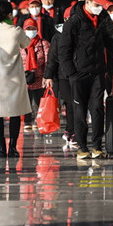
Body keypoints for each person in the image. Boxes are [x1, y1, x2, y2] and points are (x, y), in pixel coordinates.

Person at [57, 0, 113, 167]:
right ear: (87, 2)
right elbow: (64, 50)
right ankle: (82, 147)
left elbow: (107, 39)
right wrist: (72, 73)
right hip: (78, 74)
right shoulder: (74, 21)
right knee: (80, 111)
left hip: (97, 72)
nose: (99, 7)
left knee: (98, 109)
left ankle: (97, 146)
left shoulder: (100, 19)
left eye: (101, 4)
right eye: (96, 4)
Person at [0, 1, 31, 159]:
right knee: (15, 114)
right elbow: (26, 43)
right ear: (10, 14)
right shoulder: (16, 31)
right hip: (14, 79)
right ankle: (13, 147)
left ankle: (1, 147)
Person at [43, 22, 77, 150]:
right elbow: (52, 57)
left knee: (73, 104)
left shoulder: (79, 33)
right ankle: (72, 132)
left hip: (77, 74)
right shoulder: (58, 37)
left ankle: (70, 130)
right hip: (63, 76)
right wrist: (48, 75)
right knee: (71, 103)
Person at [19, 18, 51, 131]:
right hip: (24, 79)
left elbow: (48, 61)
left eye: (33, 28)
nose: (30, 31)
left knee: (39, 101)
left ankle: (38, 120)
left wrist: (47, 76)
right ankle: (27, 121)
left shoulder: (44, 44)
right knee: (26, 101)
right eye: (28, 29)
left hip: (39, 78)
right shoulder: (19, 44)